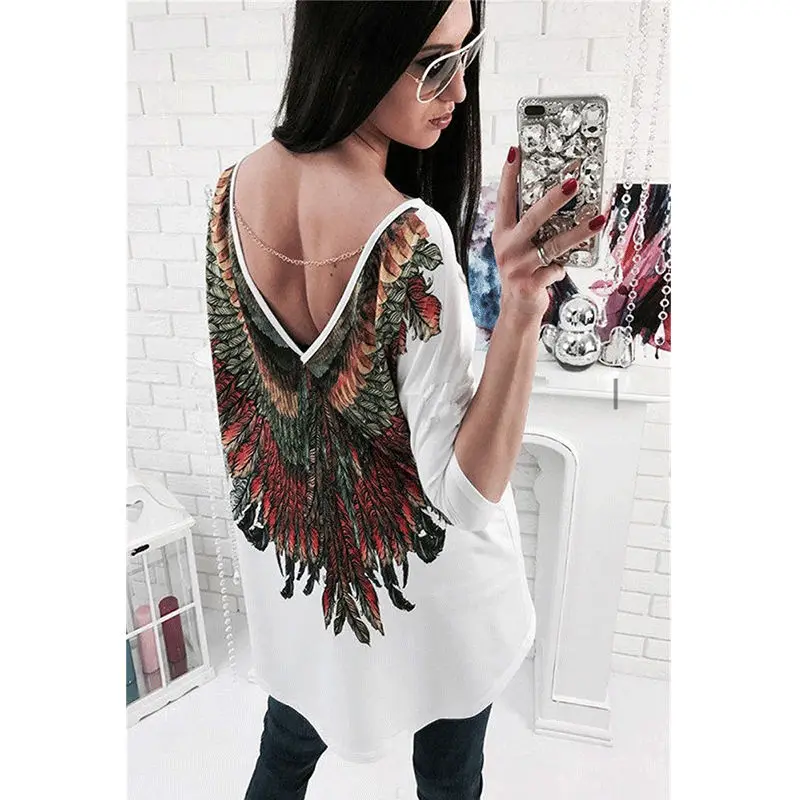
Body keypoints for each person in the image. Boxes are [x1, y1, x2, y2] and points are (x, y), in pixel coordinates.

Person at [204, 2, 605, 798]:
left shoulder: (228, 194)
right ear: (356, 49)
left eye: (464, 55)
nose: (458, 91)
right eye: (431, 63)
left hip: (311, 591)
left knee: (282, 757)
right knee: (450, 780)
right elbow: (466, 495)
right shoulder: (410, 237)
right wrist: (523, 305)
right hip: (437, 593)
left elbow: (247, 418)